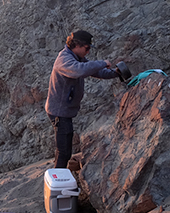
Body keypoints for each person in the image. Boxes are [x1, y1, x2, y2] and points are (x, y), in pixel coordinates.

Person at [45, 30, 119, 169]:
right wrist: (103, 62)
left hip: (64, 111)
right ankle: (58, 181)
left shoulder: (76, 57)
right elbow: (80, 70)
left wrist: (115, 73)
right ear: (77, 45)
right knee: (64, 151)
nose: (88, 52)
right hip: (59, 112)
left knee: (64, 148)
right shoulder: (64, 60)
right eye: (87, 48)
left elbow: (94, 71)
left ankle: (58, 175)